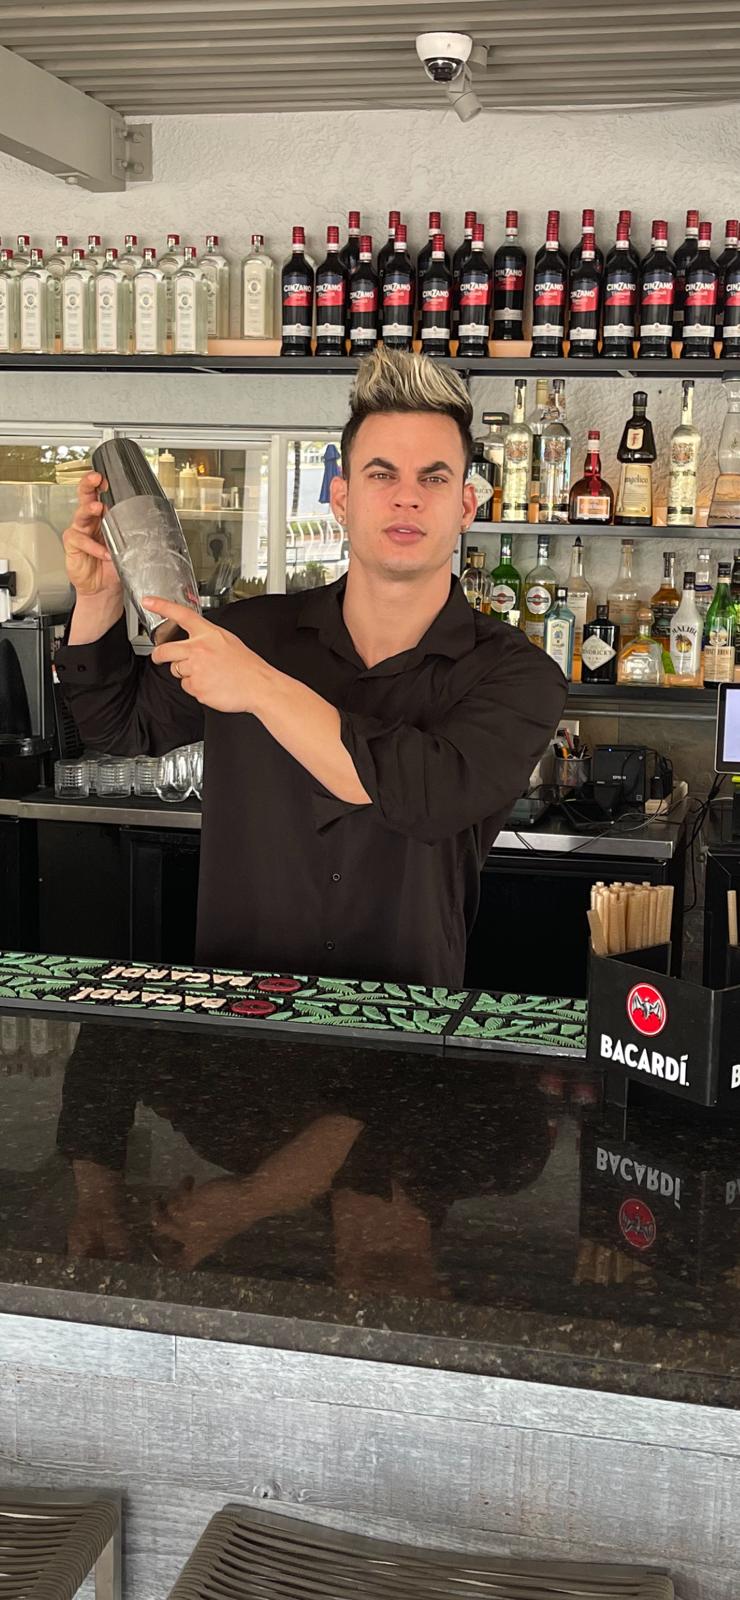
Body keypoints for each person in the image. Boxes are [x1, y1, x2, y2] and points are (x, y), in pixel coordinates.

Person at [57, 348, 567, 986]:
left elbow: (423, 799)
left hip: (408, 1020)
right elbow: (119, 728)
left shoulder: (518, 677)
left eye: (433, 478)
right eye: (382, 475)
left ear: (465, 506)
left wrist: (261, 688)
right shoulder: (250, 634)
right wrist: (100, 600)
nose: (407, 497)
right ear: (341, 500)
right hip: (244, 1011)